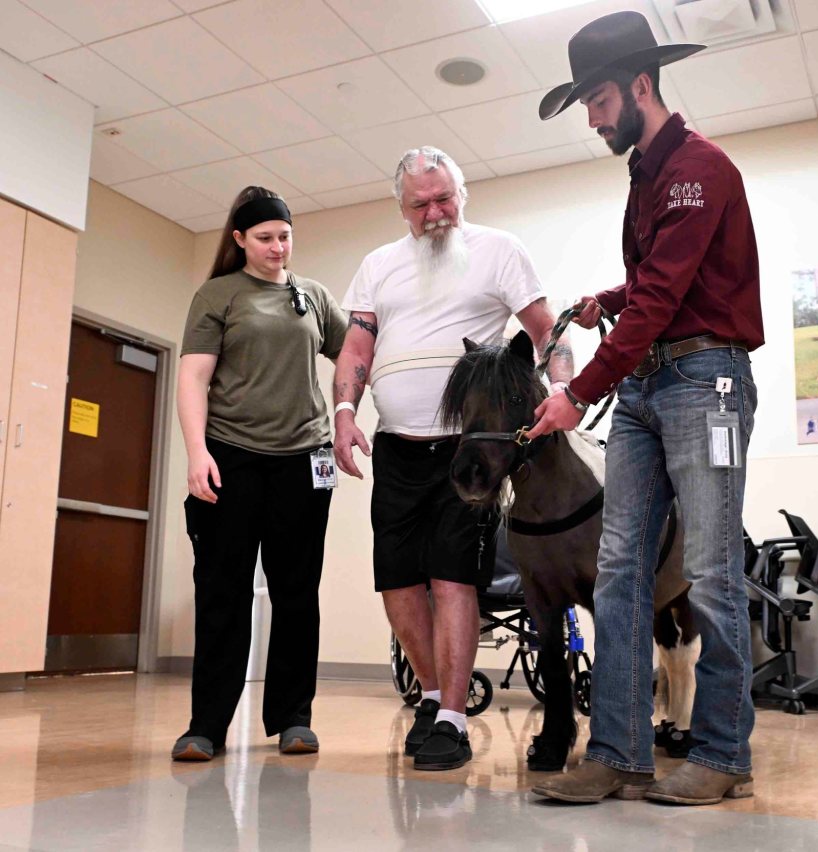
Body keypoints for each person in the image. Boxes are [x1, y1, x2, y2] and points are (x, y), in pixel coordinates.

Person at [527, 11, 763, 806]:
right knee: (619, 570)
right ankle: (620, 752)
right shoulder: (647, 176)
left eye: (594, 101)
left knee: (710, 568)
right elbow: (661, 278)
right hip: (646, 391)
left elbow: (667, 295)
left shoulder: (699, 168)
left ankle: (725, 754)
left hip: (711, 385)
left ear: (639, 85)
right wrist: (611, 298)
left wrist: (577, 392)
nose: (591, 119)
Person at [333, 147, 571, 771]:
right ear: (402, 206)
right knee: (398, 578)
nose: (435, 212)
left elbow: (548, 330)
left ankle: (454, 720)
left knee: (452, 575)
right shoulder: (378, 265)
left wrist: (566, 394)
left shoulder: (498, 250)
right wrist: (344, 413)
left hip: (471, 451)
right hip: (396, 444)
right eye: (421, 204)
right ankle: (433, 696)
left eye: (445, 199)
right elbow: (359, 344)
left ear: (461, 195)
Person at [173, 187, 347, 762]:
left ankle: (294, 718)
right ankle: (207, 725)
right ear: (240, 240)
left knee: (297, 593)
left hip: (303, 460)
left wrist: (345, 414)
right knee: (222, 592)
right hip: (232, 457)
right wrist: (198, 453)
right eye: (266, 237)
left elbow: (355, 356)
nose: (279, 247)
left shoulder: (313, 296)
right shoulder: (218, 294)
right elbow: (194, 377)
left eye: (285, 236)